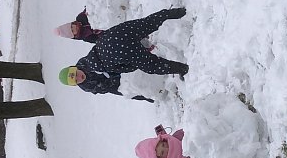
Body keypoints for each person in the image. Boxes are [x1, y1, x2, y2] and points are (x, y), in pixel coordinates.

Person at [57, 7, 189, 101]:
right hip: (115, 35)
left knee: (152, 65)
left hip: (122, 49)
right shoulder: (86, 69)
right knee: (147, 23)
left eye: (75, 74)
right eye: (75, 80)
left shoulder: (92, 71)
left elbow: (119, 81)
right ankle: (179, 12)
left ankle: (182, 68)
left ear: (74, 68)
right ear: (75, 84)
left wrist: (135, 65)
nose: (78, 77)